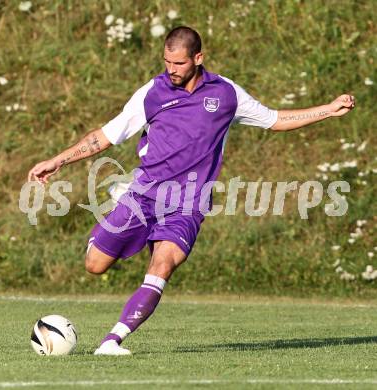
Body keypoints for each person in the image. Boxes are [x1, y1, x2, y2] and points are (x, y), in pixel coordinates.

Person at [28, 26, 355, 355]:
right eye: (167, 62)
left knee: (163, 265)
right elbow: (104, 136)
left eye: (179, 63)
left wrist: (327, 109)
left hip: (188, 203)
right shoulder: (152, 93)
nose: (171, 70)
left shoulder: (226, 94)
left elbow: (273, 119)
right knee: (95, 265)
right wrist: (58, 160)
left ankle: (112, 341)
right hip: (143, 195)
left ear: (198, 58)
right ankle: (117, 203)